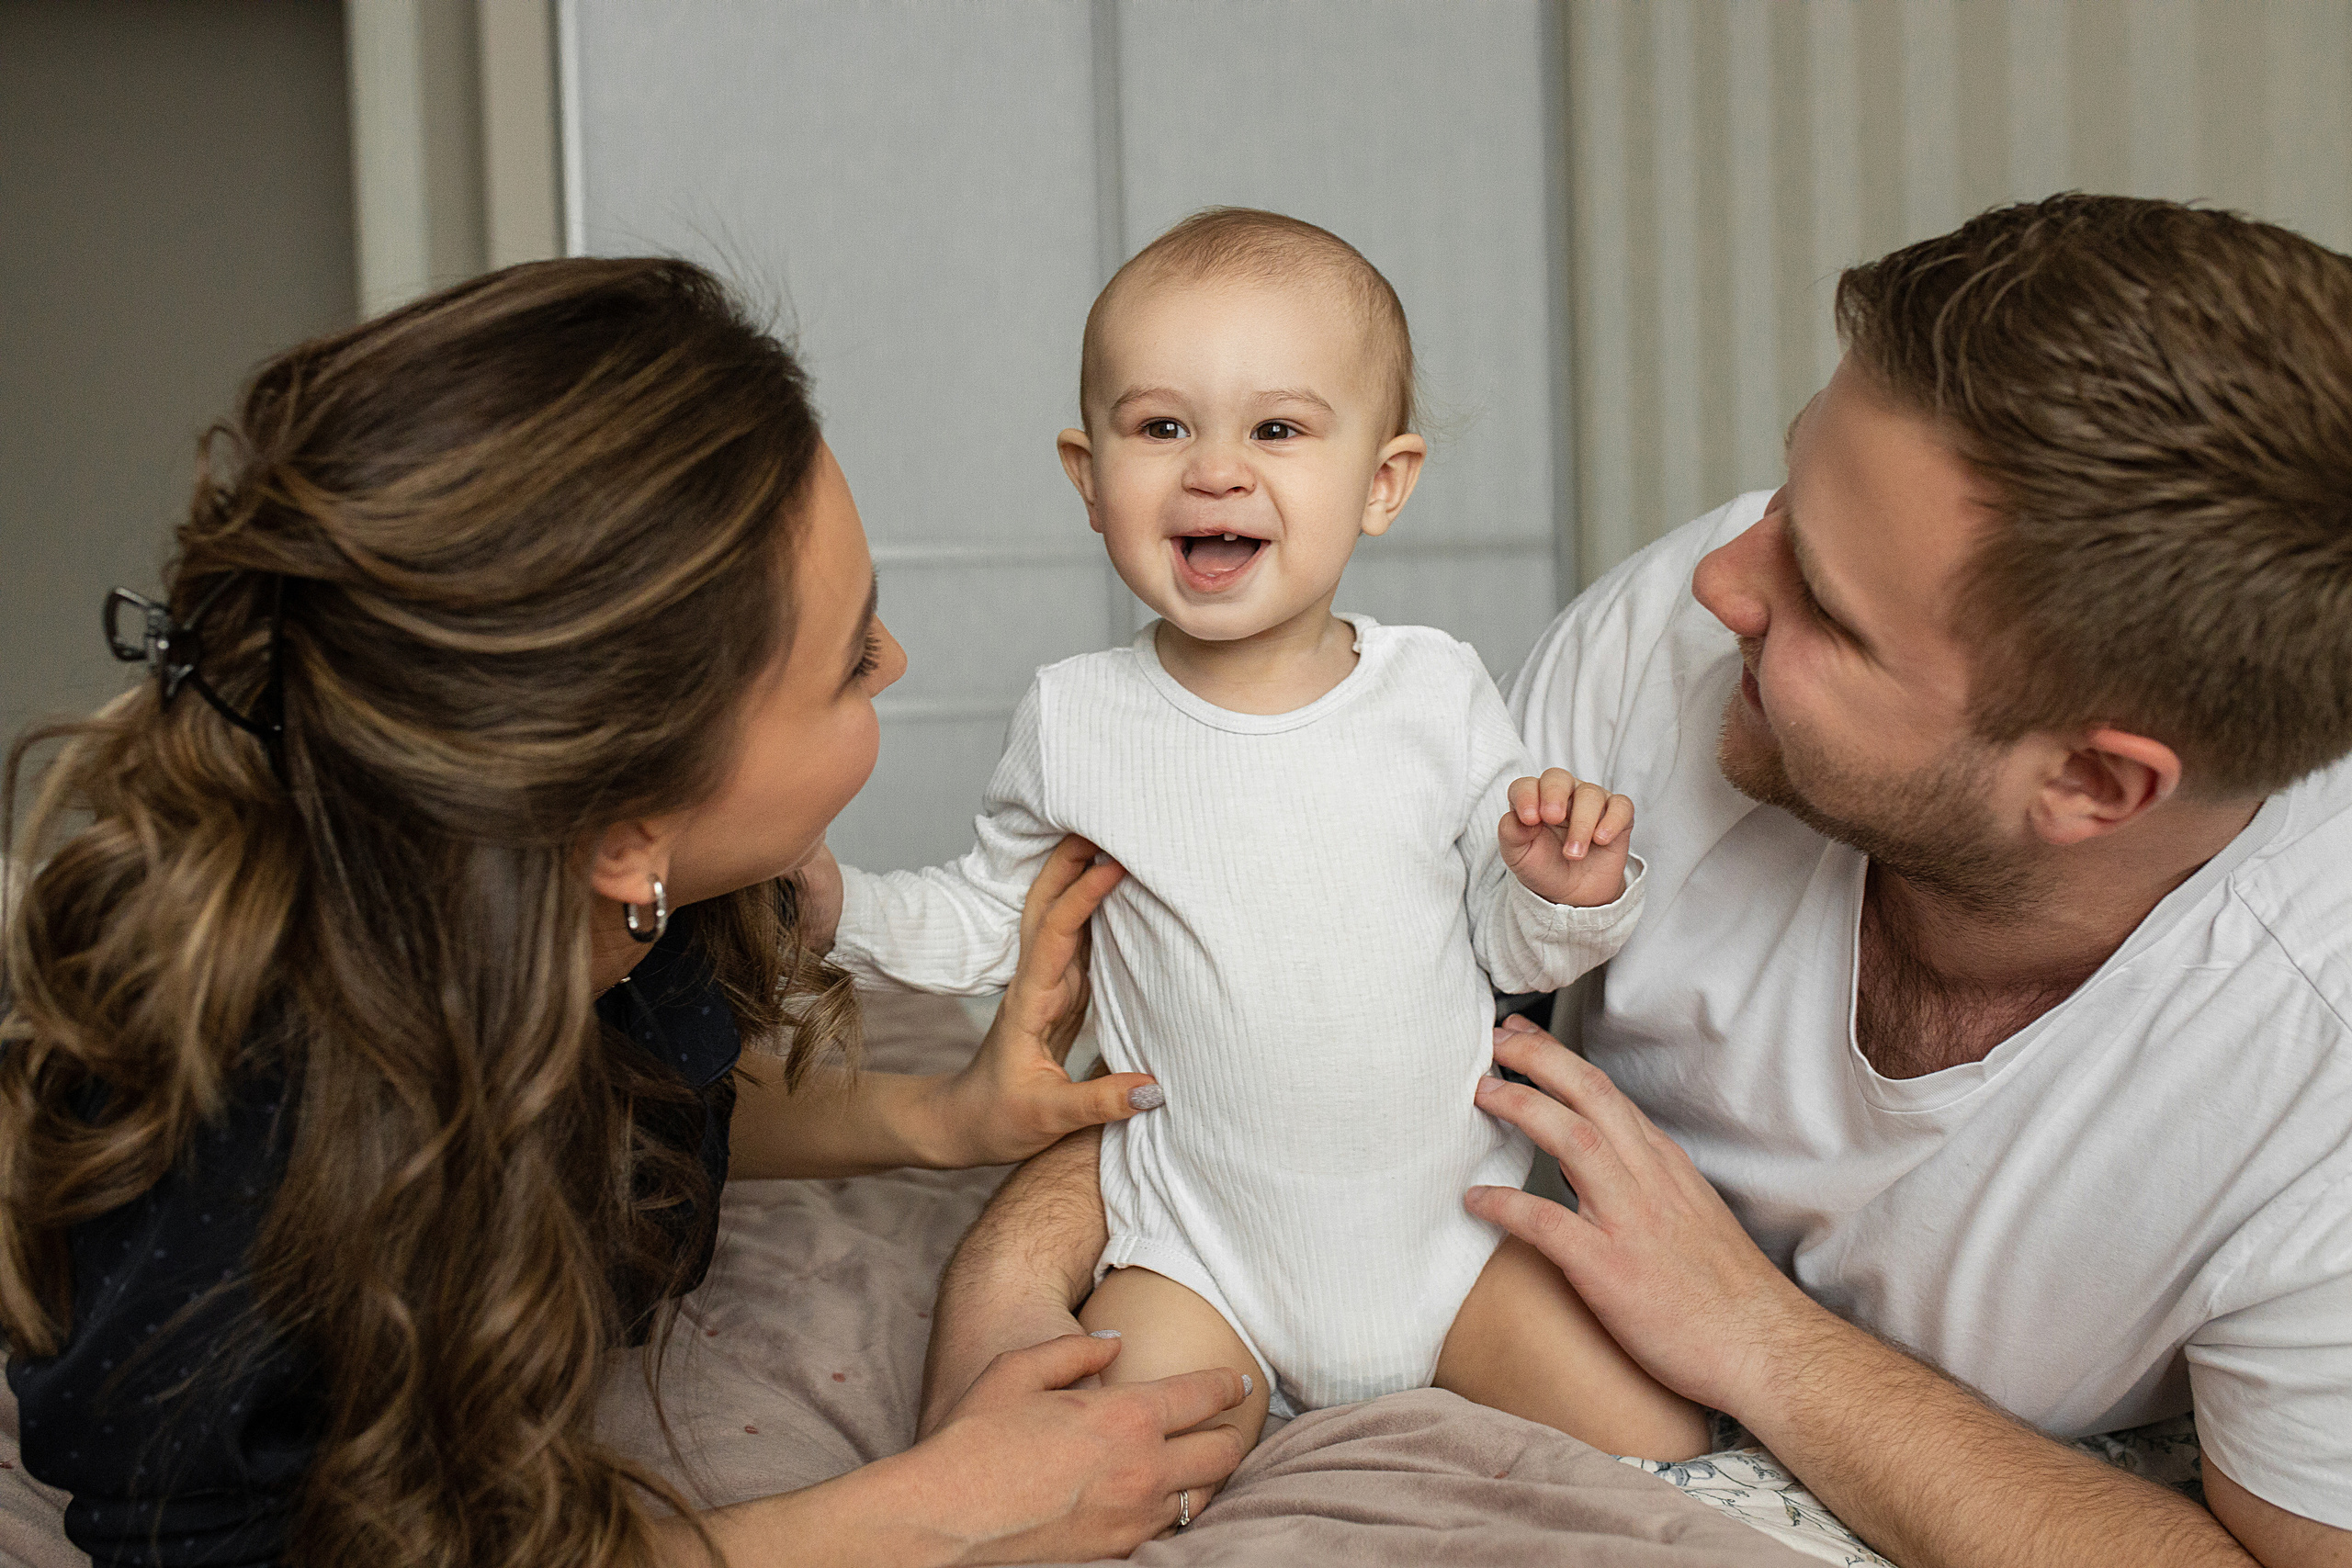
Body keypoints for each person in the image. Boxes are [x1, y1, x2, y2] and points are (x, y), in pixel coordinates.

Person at [922, 195, 2352, 1568]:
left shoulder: (2311, 1071)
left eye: (1827, 616)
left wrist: (1763, 1340)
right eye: (1785, 498)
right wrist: (1015, 1274)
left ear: (2094, 787)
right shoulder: (1672, 644)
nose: (1724, 577)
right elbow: (1302, 997)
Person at [0, 257, 1254, 1568]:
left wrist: (939, 1118)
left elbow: (629, 1097)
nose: (895, 663)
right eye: (846, 664)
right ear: (621, 831)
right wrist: (931, 1514)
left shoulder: (601, 915)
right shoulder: (235, 1183)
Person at [801, 207, 1704, 1488]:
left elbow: (1508, 942)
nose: (1215, 470)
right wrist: (838, 907)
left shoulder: (1435, 696)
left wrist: (1565, 889)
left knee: (1662, 1437)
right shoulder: (1077, 719)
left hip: (1445, 1244)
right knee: (1103, 1468)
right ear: (1086, 473)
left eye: (1277, 429)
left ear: (1383, 483)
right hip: (1203, 1250)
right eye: (1162, 427)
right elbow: (993, 920)